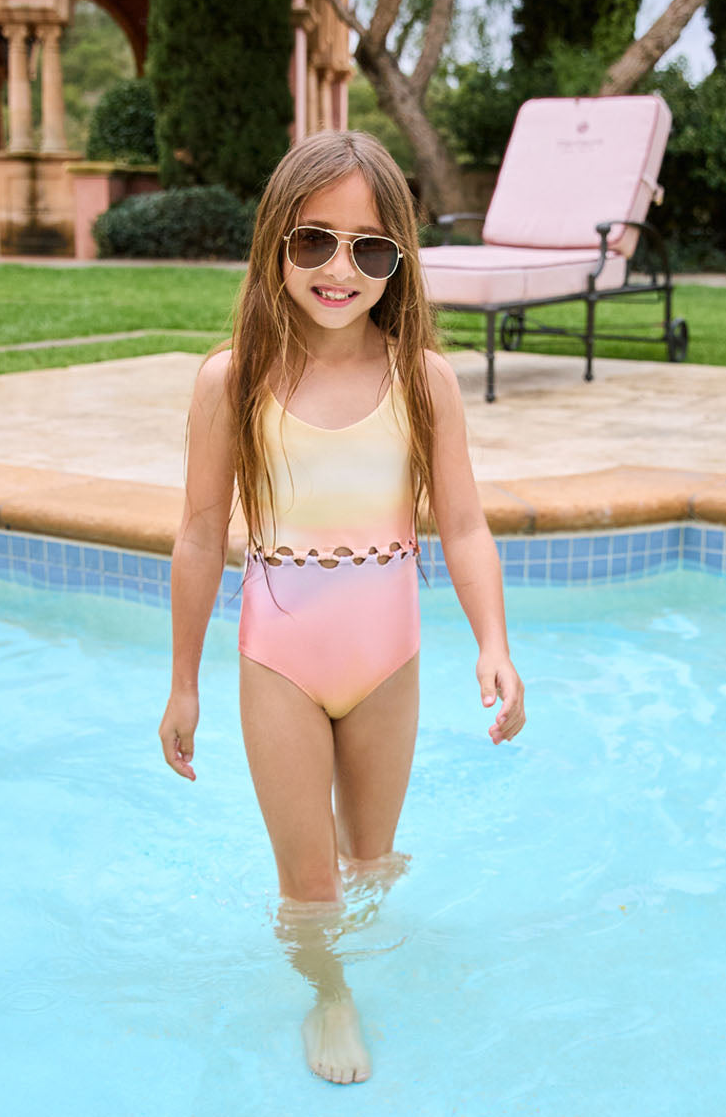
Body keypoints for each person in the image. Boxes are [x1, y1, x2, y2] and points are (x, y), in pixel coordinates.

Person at [158, 130, 526, 1085]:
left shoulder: (422, 380)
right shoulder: (231, 381)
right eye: (315, 240)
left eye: (370, 248)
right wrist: (184, 684)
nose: (339, 269)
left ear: (397, 262)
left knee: (372, 864)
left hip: (387, 664)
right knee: (309, 884)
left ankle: (353, 961)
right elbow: (200, 537)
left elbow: (468, 524)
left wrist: (495, 644)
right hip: (278, 660)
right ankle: (329, 995)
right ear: (276, 240)